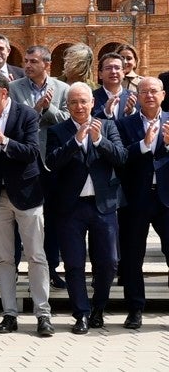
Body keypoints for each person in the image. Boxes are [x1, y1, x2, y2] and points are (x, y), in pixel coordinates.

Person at [0, 73, 53, 337]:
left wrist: (3, 140)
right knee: (4, 258)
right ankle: (9, 313)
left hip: (27, 195)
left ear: (3, 92)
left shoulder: (27, 115)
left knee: (36, 256)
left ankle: (43, 314)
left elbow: (31, 152)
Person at [46, 82, 127, 335]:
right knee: (74, 264)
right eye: (73, 102)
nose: (79, 106)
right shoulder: (58, 131)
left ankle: (98, 309)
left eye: (84, 101)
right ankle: (80, 314)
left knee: (110, 262)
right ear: (67, 105)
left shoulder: (108, 126)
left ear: (93, 102)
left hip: (103, 206)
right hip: (70, 208)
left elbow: (121, 157)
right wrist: (75, 141)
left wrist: (98, 140)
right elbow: (51, 162)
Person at [9, 44, 71, 290]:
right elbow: (11, 121)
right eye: (25, 60)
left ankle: (51, 268)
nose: (27, 65)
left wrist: (49, 109)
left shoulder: (63, 89)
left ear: (47, 65)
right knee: (16, 217)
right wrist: (35, 112)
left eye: (33, 61)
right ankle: (12, 267)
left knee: (52, 218)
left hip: (53, 163)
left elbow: (68, 121)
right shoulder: (14, 89)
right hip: (23, 164)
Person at [115, 76, 169, 329]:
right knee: (132, 257)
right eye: (144, 91)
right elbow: (121, 156)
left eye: (154, 91)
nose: (149, 95)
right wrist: (144, 145)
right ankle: (135, 309)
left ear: (163, 95)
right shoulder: (125, 124)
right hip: (136, 199)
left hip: (166, 199)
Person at [94, 52, 137, 120]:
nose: (113, 71)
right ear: (100, 74)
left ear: (123, 73)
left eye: (117, 68)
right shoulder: (92, 97)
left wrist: (131, 113)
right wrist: (106, 113)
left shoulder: (134, 97)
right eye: (108, 68)